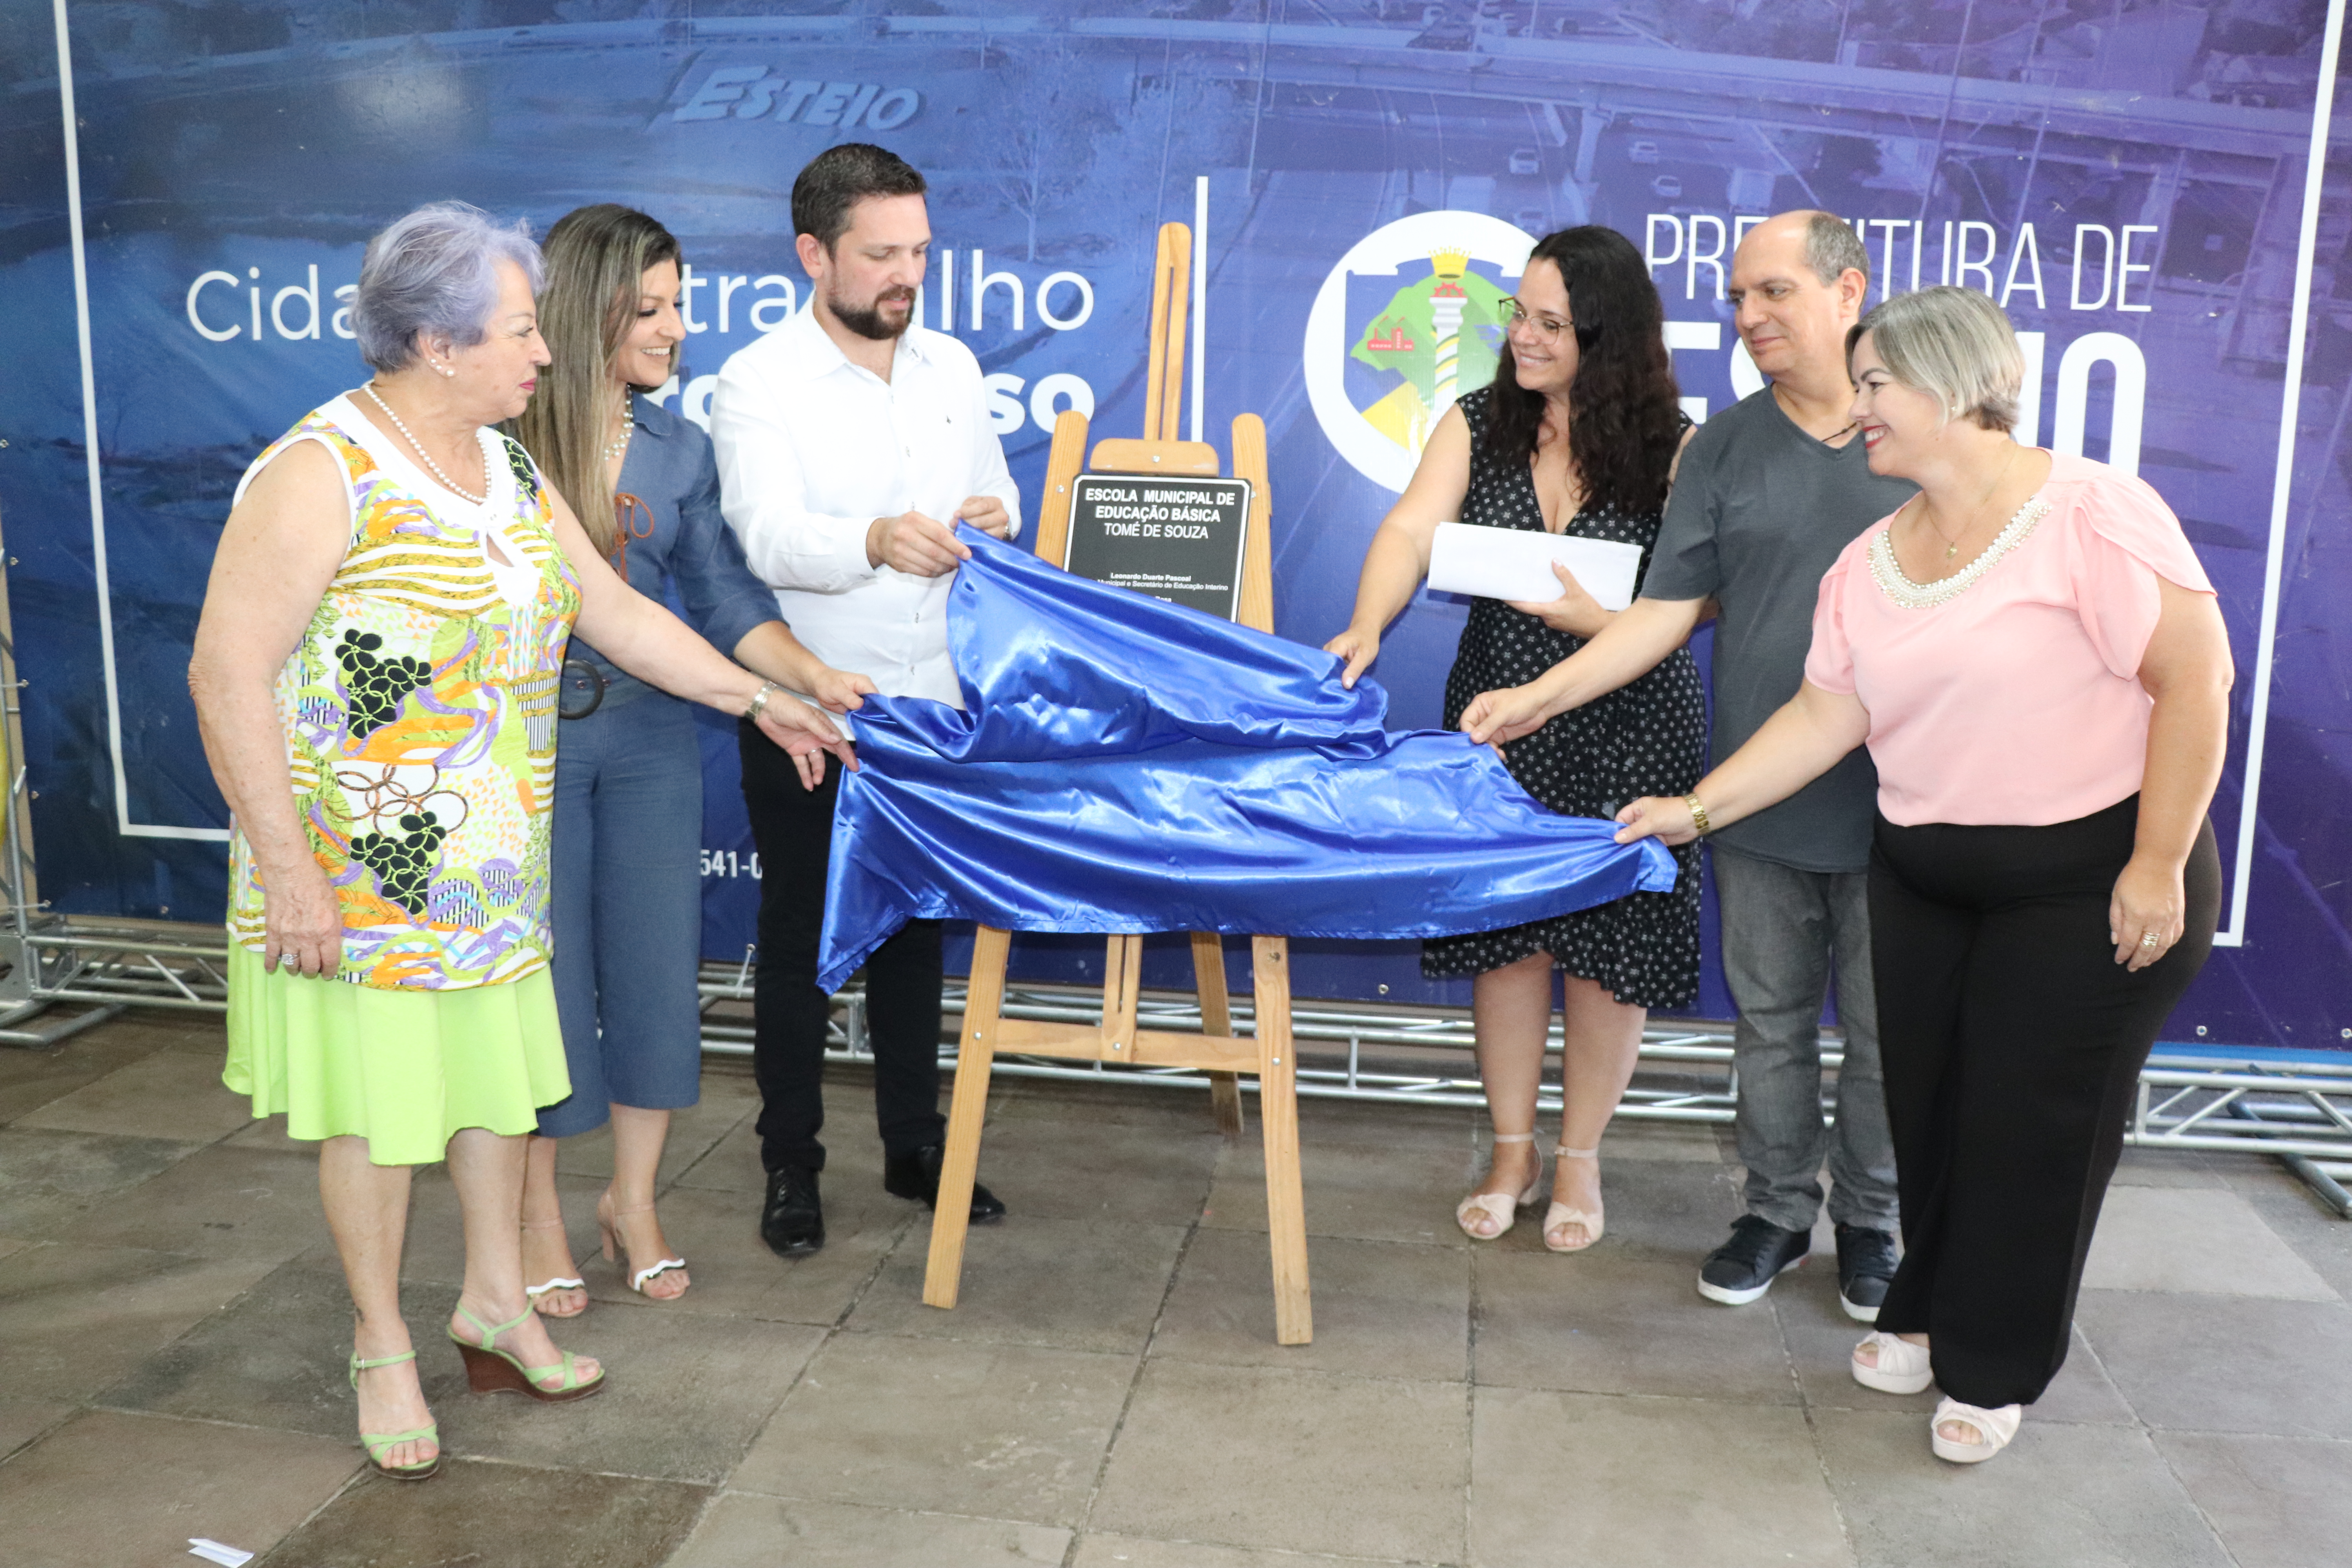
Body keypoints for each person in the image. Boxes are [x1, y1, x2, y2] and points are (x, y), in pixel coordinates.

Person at [189, 201, 854, 1481]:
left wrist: (762, 699)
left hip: (495, 864)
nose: (548, 355)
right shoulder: (321, 470)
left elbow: (612, 612)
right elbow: (226, 675)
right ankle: (383, 1342)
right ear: (436, 345)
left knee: (496, 1093)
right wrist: (288, 873)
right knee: (380, 1119)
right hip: (356, 873)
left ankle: (495, 1302)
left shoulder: (507, 465)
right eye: (520, 332)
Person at [1617, 285, 2229, 1463]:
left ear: (1949, 387)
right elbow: (1820, 716)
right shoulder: (1870, 560)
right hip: (1927, 877)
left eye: (1877, 388)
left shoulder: (2093, 514)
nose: (1858, 416)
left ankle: (1995, 1365)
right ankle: (1928, 1308)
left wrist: (2157, 864)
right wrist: (1694, 810)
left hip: (2092, 877)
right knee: (1938, 1113)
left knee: (2032, 1126)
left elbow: (2197, 682)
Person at [1463, 211, 1909, 1318]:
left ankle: (1872, 1225)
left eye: (1774, 294)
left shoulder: (1916, 425)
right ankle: (1771, 1212)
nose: (1750, 317)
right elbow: (1659, 615)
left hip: (1912, 796)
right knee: (1768, 1022)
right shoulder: (1721, 447)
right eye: (1739, 297)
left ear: (1847, 289)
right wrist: (1533, 699)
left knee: (1889, 1033)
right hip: (1752, 786)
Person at [506, 205, 875, 1314]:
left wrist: (808, 680)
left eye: (680, 305)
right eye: (651, 309)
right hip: (525, 752)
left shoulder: (684, 449)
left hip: (661, 739)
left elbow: (719, 598)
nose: (676, 331)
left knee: (660, 974)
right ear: (586, 312)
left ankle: (633, 1202)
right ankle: (534, 1216)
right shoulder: (503, 439)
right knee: (543, 985)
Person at [1323, 225, 1704, 1252]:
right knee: (1506, 943)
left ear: (1609, 336)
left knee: (1606, 950)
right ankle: (1510, 1148)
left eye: (1552, 323)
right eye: (1518, 315)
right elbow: (1408, 530)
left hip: (1633, 723)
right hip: (1497, 717)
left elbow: (1704, 594)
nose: (1524, 339)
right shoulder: (1477, 421)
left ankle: (1579, 1156)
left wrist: (1607, 628)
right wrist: (1367, 622)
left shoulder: (1679, 444)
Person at [709, 143, 1017, 1257]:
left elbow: (1002, 491)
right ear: (813, 253)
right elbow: (765, 536)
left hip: (937, 705)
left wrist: (994, 515)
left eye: (920, 252)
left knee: (913, 934)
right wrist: (875, 539)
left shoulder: (951, 365)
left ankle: (915, 1147)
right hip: (812, 706)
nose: (908, 275)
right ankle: (791, 1164)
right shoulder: (757, 381)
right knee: (797, 941)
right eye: (883, 254)